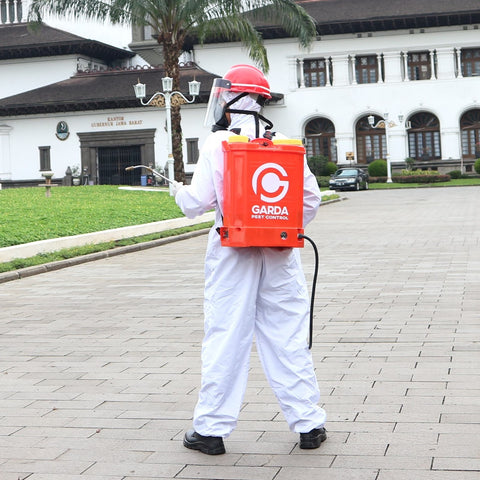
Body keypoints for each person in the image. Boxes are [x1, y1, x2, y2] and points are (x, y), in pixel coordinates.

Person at [174, 64, 326, 455]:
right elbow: (310, 200)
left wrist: (176, 190)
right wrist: (279, 229)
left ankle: (210, 430)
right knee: (288, 336)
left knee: (227, 335)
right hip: (280, 254)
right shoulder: (285, 145)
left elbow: (197, 204)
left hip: (231, 252)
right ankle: (309, 424)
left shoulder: (217, 144)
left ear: (232, 97)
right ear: (259, 100)